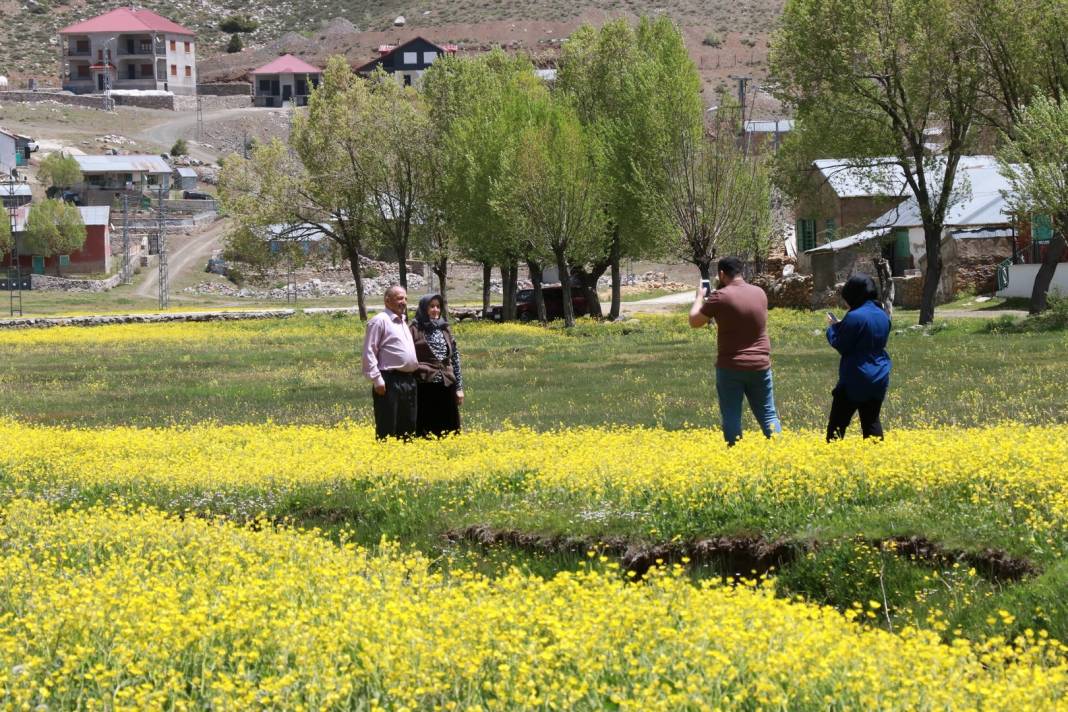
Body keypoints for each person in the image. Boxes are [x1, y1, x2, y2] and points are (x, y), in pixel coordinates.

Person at [689, 256, 782, 445]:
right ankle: (779, 450)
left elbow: (695, 321)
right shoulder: (759, 293)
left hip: (731, 365)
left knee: (732, 415)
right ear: (742, 272)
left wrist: (700, 297)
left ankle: (735, 452)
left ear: (722, 274)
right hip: (760, 363)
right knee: (768, 414)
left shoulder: (720, 297)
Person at [825, 273, 892, 441]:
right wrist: (844, 325)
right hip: (879, 374)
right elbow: (865, 334)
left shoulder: (854, 316)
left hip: (856, 376)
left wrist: (833, 328)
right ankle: (877, 462)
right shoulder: (882, 314)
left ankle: (833, 459)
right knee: (871, 423)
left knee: (836, 427)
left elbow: (842, 344)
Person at [362, 285, 419, 440]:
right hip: (389, 381)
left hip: (408, 381)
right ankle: (386, 460)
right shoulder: (380, 321)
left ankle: (404, 459)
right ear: (387, 301)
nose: (404, 302)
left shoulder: (403, 322)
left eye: (406, 298)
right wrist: (377, 379)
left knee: (408, 426)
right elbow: (369, 351)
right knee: (388, 426)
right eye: (400, 298)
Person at [410, 294, 464, 437]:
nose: (435, 310)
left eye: (438, 306)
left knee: (449, 431)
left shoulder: (444, 328)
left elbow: (455, 358)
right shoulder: (414, 329)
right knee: (426, 431)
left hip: (446, 384)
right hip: (424, 386)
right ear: (423, 308)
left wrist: (459, 388)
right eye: (431, 306)